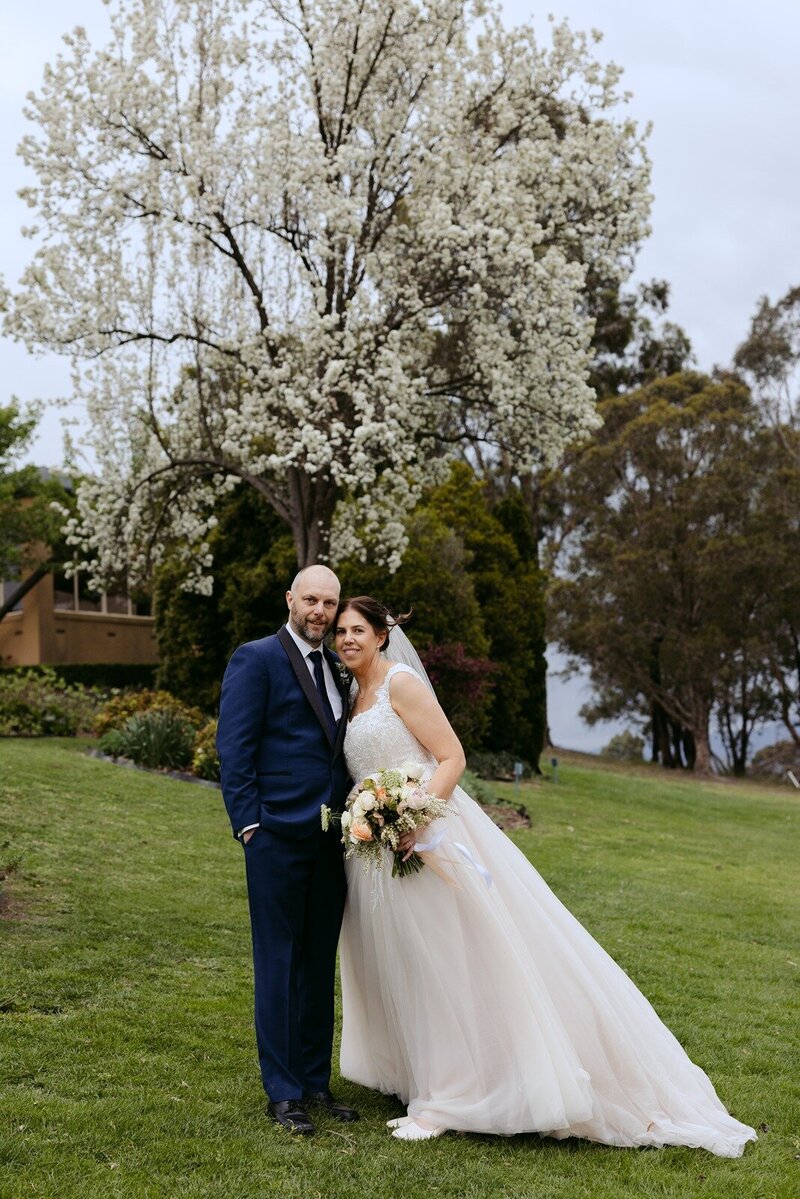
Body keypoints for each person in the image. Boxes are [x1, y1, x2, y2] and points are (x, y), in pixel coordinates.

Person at [333, 596, 757, 1154]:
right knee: (405, 962)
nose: (347, 639)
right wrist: (375, 821)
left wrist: (411, 818)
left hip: (428, 839)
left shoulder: (400, 684)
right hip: (379, 852)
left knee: (447, 963)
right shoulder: (351, 693)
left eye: (358, 629)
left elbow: (452, 757)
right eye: (341, 631)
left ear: (382, 636)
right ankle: (423, 1077)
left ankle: (451, 1097)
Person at [216, 565, 358, 1136]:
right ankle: (282, 1092)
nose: (320, 611)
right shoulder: (257, 658)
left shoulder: (338, 667)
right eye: (311, 600)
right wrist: (249, 825)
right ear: (290, 600)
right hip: (274, 835)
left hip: (333, 839)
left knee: (318, 960)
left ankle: (315, 1082)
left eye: (329, 602)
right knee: (279, 961)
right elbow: (236, 747)